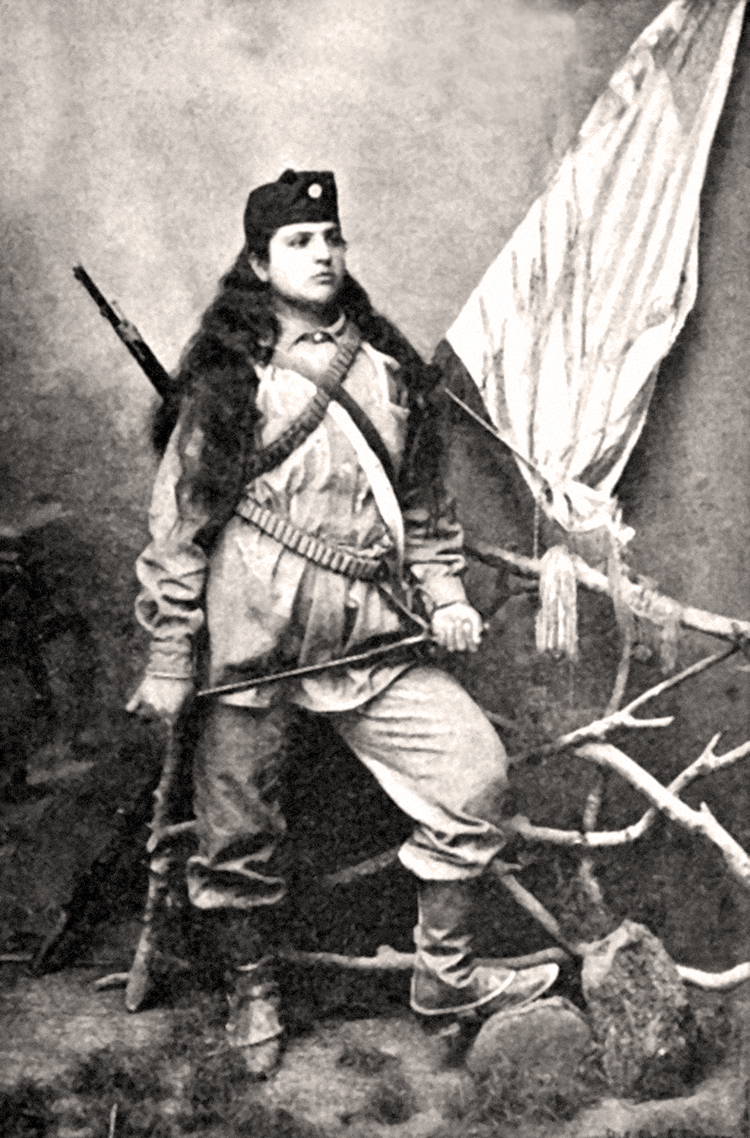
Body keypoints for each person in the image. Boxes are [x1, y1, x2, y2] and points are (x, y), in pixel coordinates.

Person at [127, 169, 557, 1076]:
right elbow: (179, 528)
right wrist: (169, 658)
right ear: (258, 264)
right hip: (254, 650)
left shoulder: (387, 369)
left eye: (331, 239)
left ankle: (445, 979)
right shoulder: (227, 381)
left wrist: (445, 594)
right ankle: (253, 990)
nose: (322, 254)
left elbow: (425, 509)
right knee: (236, 837)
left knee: (473, 779)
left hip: (372, 639)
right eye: (298, 242)